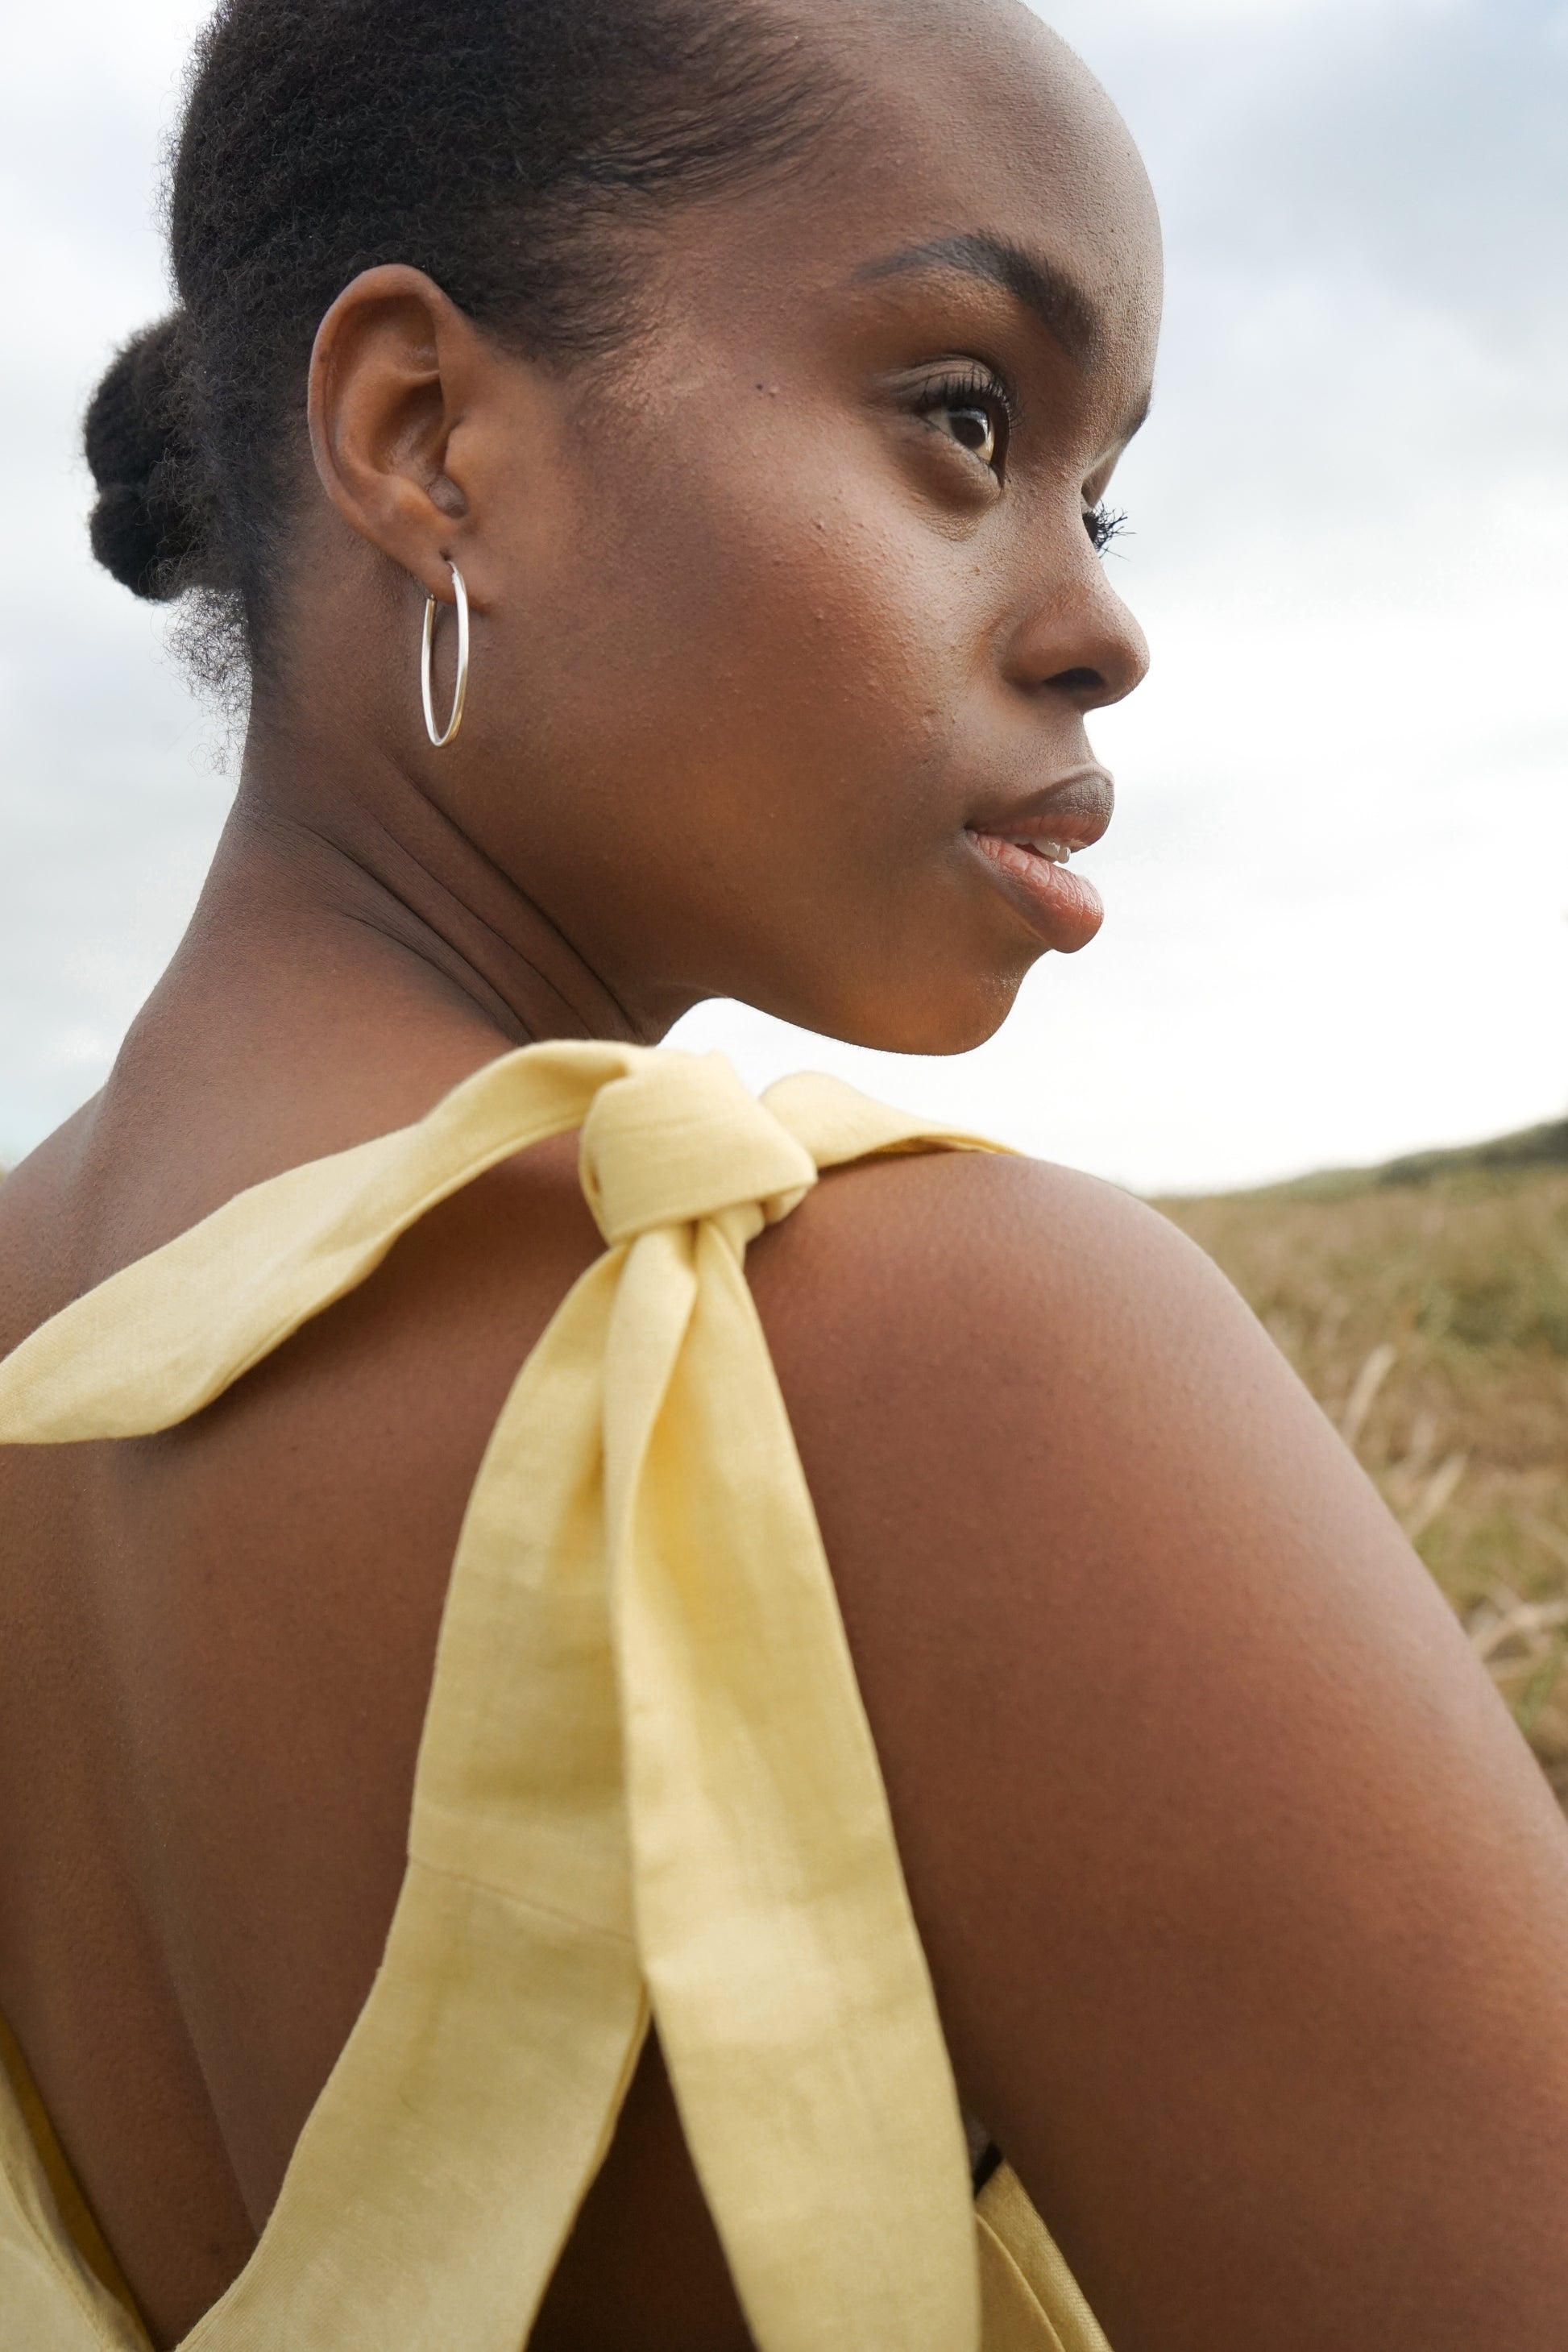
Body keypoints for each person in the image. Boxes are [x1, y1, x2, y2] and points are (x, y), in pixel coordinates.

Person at [2, 0, 1567, 2346]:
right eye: (964, 416)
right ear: (425, 441)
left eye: (1098, 493)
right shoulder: (942, 1359)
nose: (1104, 628)